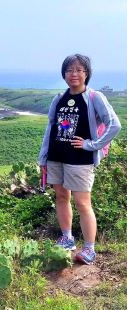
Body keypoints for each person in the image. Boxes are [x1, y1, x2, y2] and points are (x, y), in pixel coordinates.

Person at [39, 54, 121, 264]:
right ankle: (67, 238)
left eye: (79, 69)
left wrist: (91, 145)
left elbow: (114, 125)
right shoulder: (59, 98)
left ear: (86, 73)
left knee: (83, 203)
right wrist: (43, 157)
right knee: (61, 197)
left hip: (80, 160)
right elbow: (51, 128)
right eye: (69, 70)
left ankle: (90, 248)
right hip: (56, 157)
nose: (73, 74)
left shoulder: (94, 97)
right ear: (64, 74)